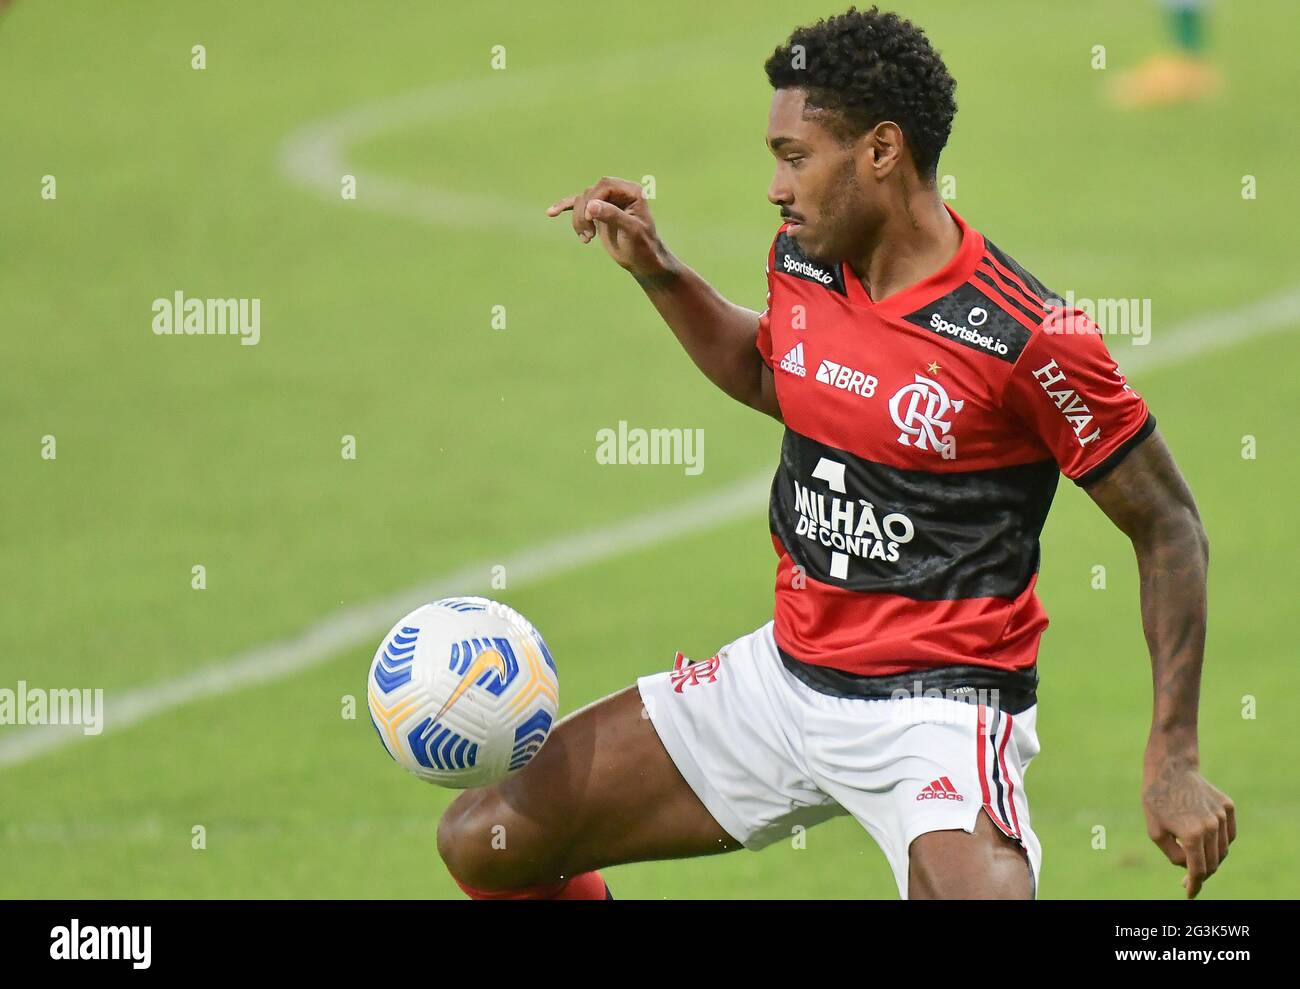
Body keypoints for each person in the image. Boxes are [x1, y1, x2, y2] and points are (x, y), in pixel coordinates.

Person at [437, 5, 1235, 900]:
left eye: (794, 157)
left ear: (882, 151)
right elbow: (772, 371)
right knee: (485, 839)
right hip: (785, 677)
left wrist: (1174, 755)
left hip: (935, 708)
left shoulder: (1028, 338)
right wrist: (661, 272)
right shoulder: (806, 260)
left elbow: (1168, 526)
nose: (776, 188)